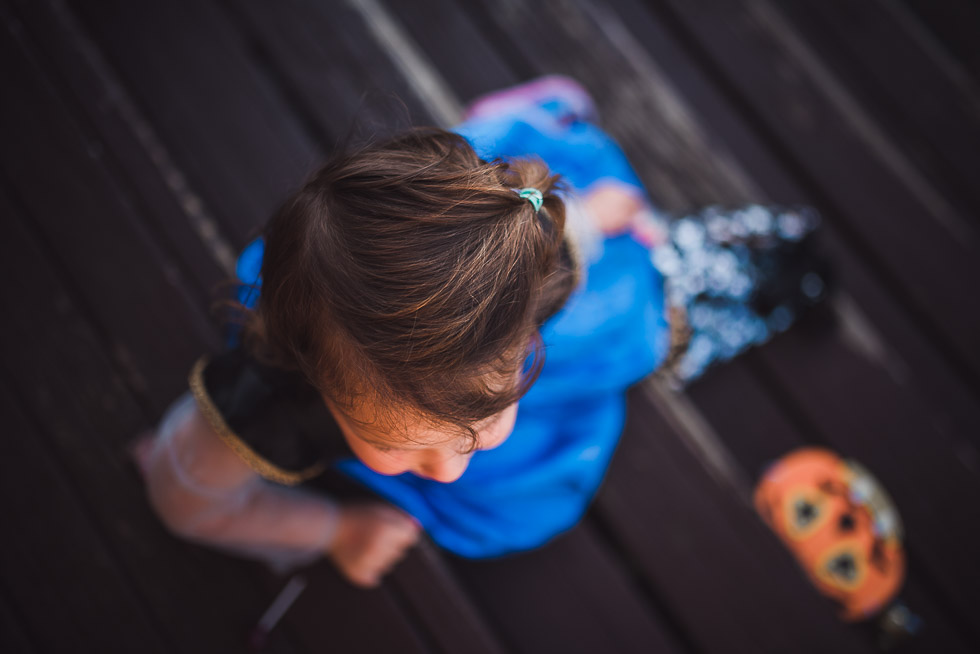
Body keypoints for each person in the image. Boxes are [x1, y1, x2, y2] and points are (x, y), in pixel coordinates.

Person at [134, 76, 828, 588]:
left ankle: (658, 253)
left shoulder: (517, 276)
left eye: (481, 417)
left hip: (529, 259)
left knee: (613, 301)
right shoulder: (264, 402)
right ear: (309, 365)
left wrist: (582, 220)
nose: (452, 467)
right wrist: (335, 531)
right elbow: (179, 497)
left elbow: (542, 251)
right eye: (404, 443)